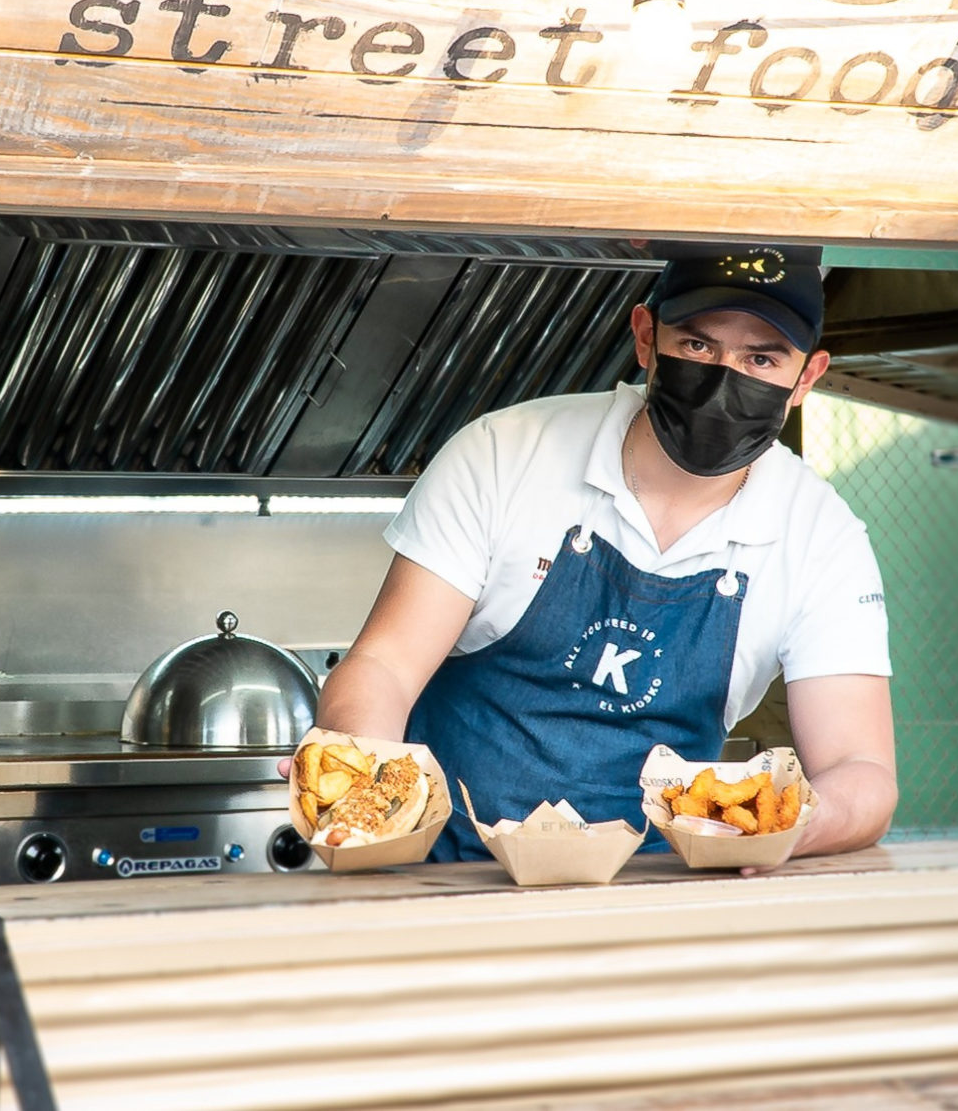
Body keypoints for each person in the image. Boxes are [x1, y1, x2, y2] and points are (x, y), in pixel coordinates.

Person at [312, 244, 897, 865]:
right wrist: (367, 785)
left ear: (806, 377)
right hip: (444, 874)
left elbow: (859, 768)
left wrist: (788, 828)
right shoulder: (503, 453)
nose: (725, 376)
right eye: (698, 346)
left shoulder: (820, 536)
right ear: (645, 337)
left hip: (660, 891)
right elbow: (385, 665)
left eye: (762, 357)